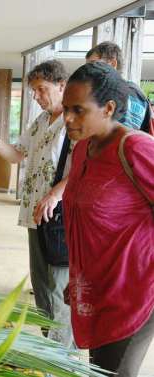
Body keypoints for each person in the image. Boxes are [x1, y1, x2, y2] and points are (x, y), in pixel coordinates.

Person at [62, 61, 154, 377]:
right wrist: (77, 278)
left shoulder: (136, 148)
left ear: (109, 108)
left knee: (114, 373)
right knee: (98, 368)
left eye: (78, 109)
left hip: (134, 290)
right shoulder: (82, 150)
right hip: (95, 287)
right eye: (65, 109)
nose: (67, 119)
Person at [0, 60, 75, 347]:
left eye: (41, 90)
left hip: (59, 216)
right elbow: (16, 155)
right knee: (42, 287)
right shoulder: (39, 122)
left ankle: (62, 356)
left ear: (62, 86)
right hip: (35, 214)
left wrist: (55, 194)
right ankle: (50, 347)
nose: (36, 96)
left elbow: (82, 169)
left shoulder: (73, 122)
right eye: (34, 90)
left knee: (60, 288)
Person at [86, 41, 152, 133]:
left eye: (93, 64)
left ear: (112, 64)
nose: (87, 70)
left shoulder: (129, 92)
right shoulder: (111, 92)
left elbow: (123, 136)